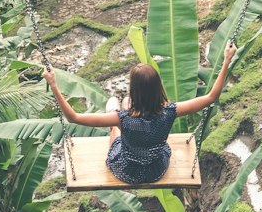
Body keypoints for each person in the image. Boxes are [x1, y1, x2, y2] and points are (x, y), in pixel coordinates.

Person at [44, 44, 237, 185]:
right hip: (156, 169)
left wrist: (54, 85)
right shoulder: (171, 112)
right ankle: (120, 107)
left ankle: (114, 108)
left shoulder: (123, 119)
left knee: (115, 127)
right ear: (157, 88)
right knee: (125, 114)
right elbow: (212, 97)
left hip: (126, 170)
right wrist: (227, 59)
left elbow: (74, 118)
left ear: (135, 89)